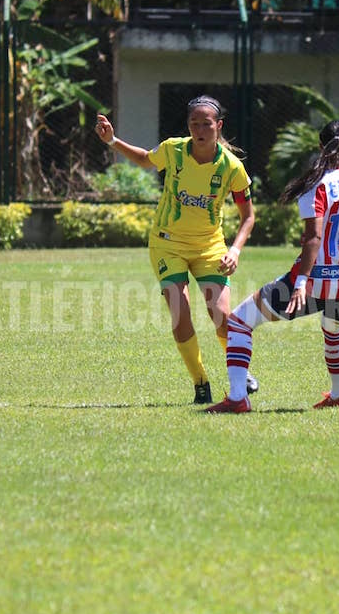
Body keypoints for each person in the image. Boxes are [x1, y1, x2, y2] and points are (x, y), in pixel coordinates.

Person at [205, 119, 339, 414]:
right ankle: (338, 394)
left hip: (312, 283)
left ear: (319, 146)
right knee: (333, 328)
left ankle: (238, 398)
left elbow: (313, 237)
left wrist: (300, 282)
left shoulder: (315, 185)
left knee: (239, 322)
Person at [95, 96, 259, 404]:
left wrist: (235, 250)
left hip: (210, 247)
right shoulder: (173, 150)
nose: (199, 130)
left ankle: (239, 371)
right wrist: (113, 140)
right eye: (194, 124)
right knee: (180, 314)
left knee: (222, 316)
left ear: (218, 126)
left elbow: (248, 216)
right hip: (167, 244)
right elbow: (145, 159)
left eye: (206, 124)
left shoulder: (231, 168)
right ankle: (200, 383)